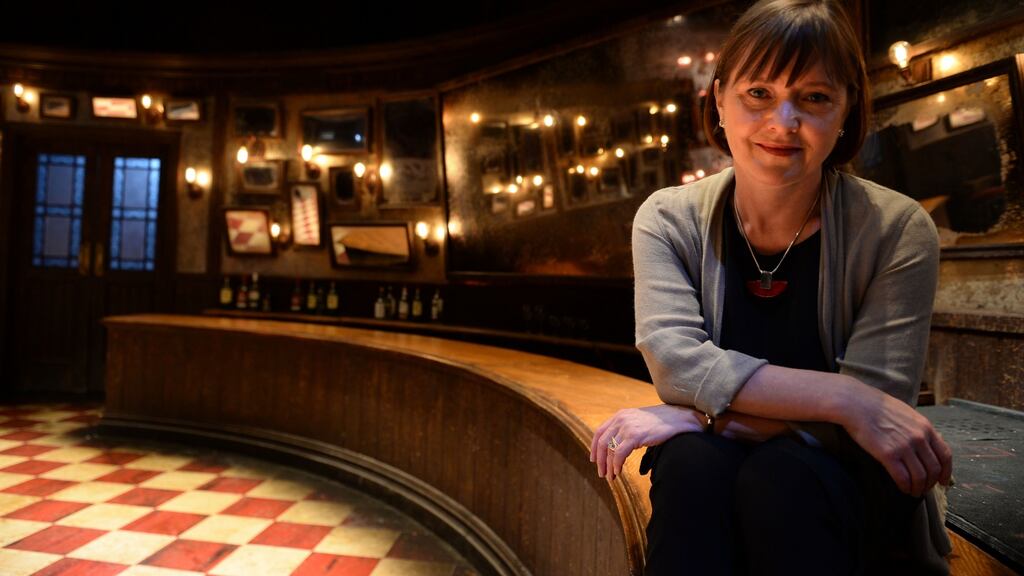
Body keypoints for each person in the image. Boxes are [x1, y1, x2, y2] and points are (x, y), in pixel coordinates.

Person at [589, 0, 954, 574]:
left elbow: (879, 414)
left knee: (776, 477)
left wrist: (699, 414)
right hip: (721, 468)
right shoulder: (667, 218)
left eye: (813, 98)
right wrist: (845, 400)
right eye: (758, 93)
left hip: (846, 480)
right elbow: (677, 364)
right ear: (719, 100)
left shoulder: (897, 228)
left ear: (845, 111)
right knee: (688, 468)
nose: (783, 123)